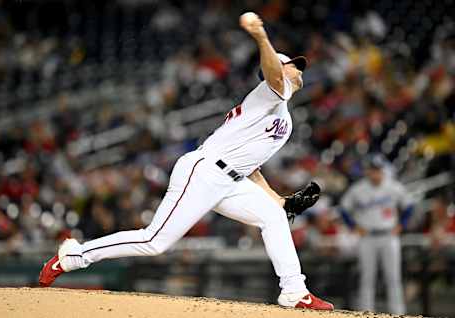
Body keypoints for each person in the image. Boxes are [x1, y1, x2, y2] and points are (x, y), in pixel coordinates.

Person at [39, 12, 333, 310]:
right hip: (203, 171)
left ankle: (295, 291)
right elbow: (271, 73)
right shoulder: (268, 93)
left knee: (273, 217)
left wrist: (278, 201)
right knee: (154, 241)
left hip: (230, 180)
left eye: (298, 66)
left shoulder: (285, 119)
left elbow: (251, 165)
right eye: (292, 65)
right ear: (278, 70)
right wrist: (260, 37)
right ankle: (74, 256)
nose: (299, 70)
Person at [340, 154, 414, 314]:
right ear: (367, 171)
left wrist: (402, 224)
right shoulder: (358, 189)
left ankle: (398, 313)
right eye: (372, 170)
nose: (375, 173)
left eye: (378, 170)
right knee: (367, 277)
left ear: (382, 170)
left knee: (393, 277)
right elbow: (343, 209)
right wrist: (353, 226)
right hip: (367, 237)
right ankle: (366, 312)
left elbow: (409, 205)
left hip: (389, 236)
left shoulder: (393, 186)